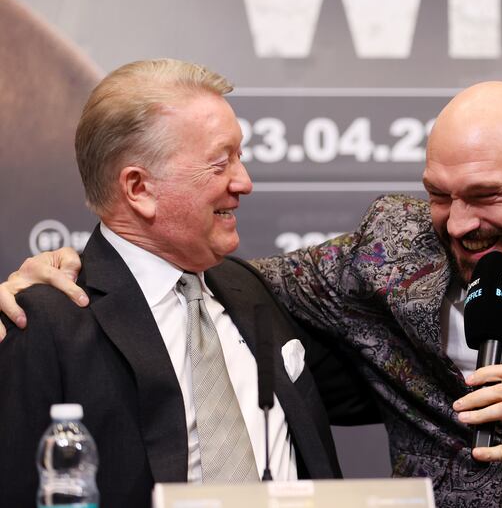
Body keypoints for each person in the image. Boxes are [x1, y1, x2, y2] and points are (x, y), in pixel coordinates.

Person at [1, 81, 502, 507]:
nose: (459, 224)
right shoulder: (394, 250)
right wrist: (72, 267)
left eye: (484, 195)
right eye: (439, 194)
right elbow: (202, 284)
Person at [0, 59, 363, 508]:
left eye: (240, 156)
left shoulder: (252, 289)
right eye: (219, 163)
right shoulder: (48, 322)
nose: (244, 182)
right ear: (139, 188)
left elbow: (382, 390)